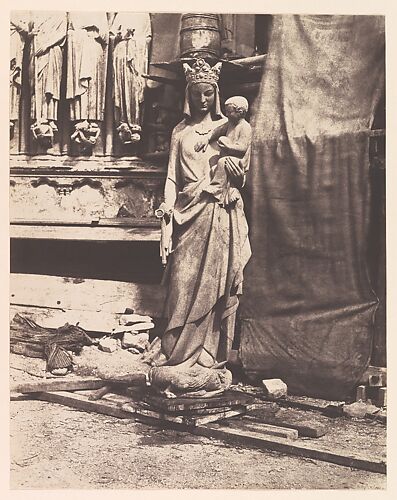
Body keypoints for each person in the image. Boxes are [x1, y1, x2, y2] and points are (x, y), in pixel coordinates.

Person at [150, 58, 251, 396]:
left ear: (216, 94)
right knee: (181, 284)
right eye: (197, 94)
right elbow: (171, 177)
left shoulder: (230, 128)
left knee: (213, 285)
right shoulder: (179, 132)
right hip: (185, 213)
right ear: (188, 95)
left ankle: (205, 357)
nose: (203, 100)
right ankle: (175, 353)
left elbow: (239, 171)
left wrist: (237, 181)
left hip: (216, 214)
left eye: (208, 93)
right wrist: (166, 206)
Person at [195, 95, 252, 207]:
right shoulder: (230, 123)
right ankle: (225, 190)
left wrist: (228, 146)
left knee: (221, 162)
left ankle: (217, 187)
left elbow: (242, 149)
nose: (226, 114)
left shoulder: (245, 127)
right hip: (228, 158)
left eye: (229, 112)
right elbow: (218, 130)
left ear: (240, 112)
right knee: (214, 165)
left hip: (238, 161)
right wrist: (207, 138)